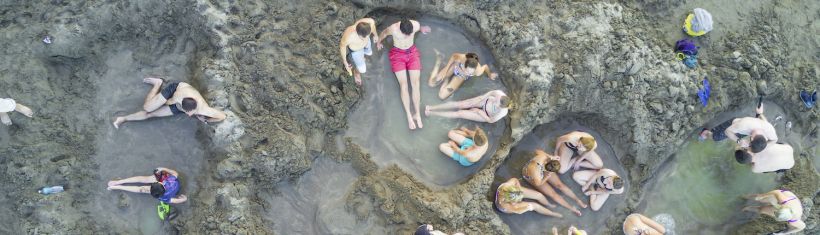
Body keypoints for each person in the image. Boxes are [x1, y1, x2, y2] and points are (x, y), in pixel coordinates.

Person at [376, 18, 431, 130]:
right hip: (397, 55)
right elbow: (384, 33)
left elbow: (418, 28)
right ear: (400, 29)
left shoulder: (415, 24)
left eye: (409, 34)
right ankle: (409, 116)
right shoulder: (393, 29)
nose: (407, 36)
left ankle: (417, 114)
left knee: (415, 83)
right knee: (404, 85)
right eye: (405, 34)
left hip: (412, 52)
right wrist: (378, 42)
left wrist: (421, 29)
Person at [113, 78, 226, 128]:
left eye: (192, 113)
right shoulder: (179, 96)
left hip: (181, 106)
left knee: (150, 114)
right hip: (174, 91)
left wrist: (206, 119)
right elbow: (168, 102)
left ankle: (123, 118)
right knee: (148, 108)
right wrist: (158, 104)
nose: (189, 115)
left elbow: (222, 116)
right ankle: (158, 83)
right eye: (188, 112)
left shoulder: (204, 109)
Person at [522, 149, 587, 216]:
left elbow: (537, 151)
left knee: (560, 185)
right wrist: (546, 177)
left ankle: (577, 200)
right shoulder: (535, 174)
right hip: (532, 177)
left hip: (543, 168)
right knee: (553, 194)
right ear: (549, 171)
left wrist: (551, 156)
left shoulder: (544, 157)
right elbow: (538, 183)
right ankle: (571, 208)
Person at [699, 105, 777, 153]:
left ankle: (713, 131)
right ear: (752, 138)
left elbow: (774, 140)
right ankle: (706, 133)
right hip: (734, 125)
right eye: (750, 143)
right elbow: (727, 131)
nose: (748, 144)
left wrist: (760, 114)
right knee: (716, 137)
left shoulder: (770, 130)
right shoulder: (744, 125)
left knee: (721, 133)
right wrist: (739, 141)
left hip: (746, 131)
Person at [427, 50, 498, 99]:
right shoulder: (463, 57)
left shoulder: (478, 71)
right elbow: (453, 56)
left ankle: (447, 79)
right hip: (455, 67)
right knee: (431, 84)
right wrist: (446, 69)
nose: (467, 72)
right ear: (465, 64)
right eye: (466, 70)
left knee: (441, 96)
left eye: (470, 72)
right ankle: (439, 60)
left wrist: (490, 74)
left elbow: (485, 66)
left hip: (461, 77)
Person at [107, 167, 187, 204]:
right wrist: (183, 199)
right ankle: (118, 183)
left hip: (166, 188)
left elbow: (175, 173)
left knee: (143, 184)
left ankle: (117, 185)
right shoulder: (164, 195)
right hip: (170, 187)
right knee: (142, 186)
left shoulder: (164, 196)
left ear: (161, 182)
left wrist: (163, 169)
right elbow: (175, 173)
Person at [425, 90, 509, 123]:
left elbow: (490, 120)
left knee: (460, 113)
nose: (495, 103)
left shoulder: (502, 113)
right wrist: (481, 97)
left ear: (502, 107)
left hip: (485, 114)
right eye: (496, 100)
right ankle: (432, 107)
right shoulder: (499, 94)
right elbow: (491, 93)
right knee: (460, 104)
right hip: (485, 101)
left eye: (497, 105)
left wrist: (478, 111)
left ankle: (433, 114)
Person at [339, 18, 378, 86]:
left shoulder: (369, 24)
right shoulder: (349, 35)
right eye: (363, 37)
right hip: (356, 50)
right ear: (357, 33)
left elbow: (372, 24)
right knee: (362, 70)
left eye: (367, 35)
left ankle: (363, 56)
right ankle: (356, 72)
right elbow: (342, 46)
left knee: (369, 53)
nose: (365, 38)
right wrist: (345, 62)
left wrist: (375, 35)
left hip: (366, 44)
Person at [495, 178, 562, 217]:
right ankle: (552, 214)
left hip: (514, 192)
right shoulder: (504, 205)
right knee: (534, 205)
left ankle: (548, 204)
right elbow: (518, 211)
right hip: (510, 208)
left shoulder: (509, 184)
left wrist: (519, 188)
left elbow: (515, 180)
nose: (519, 200)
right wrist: (527, 208)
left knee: (539, 195)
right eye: (516, 201)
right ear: (511, 202)